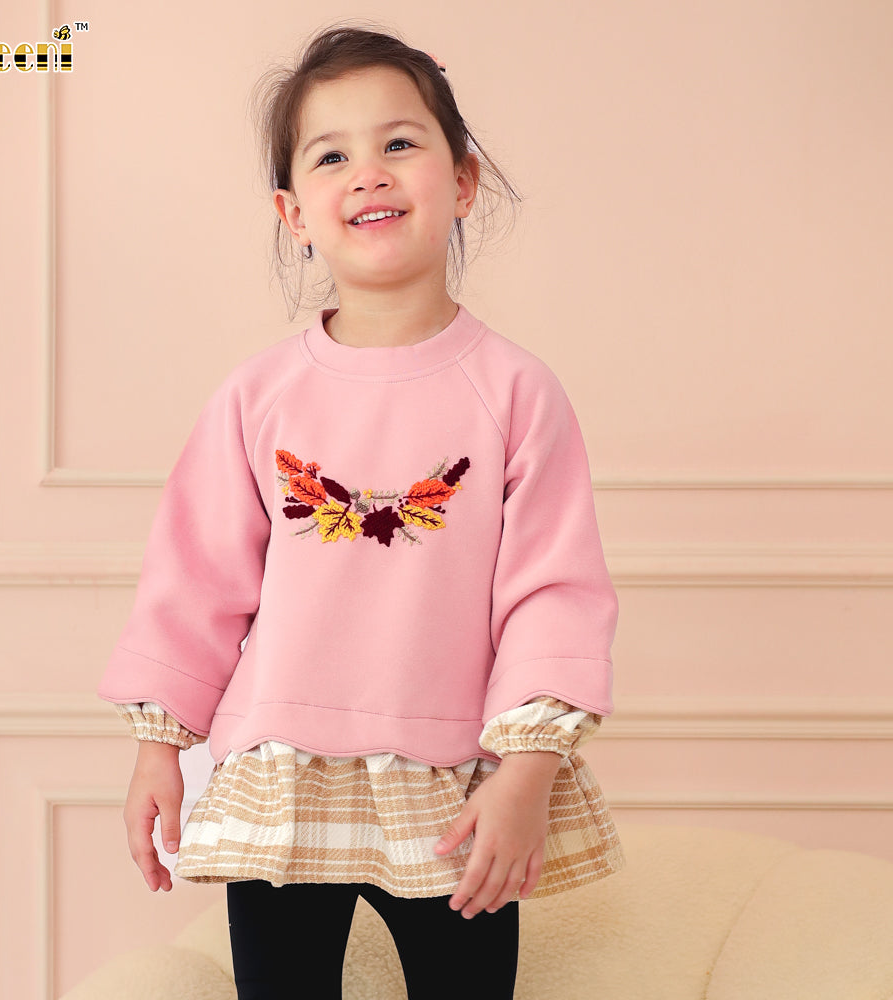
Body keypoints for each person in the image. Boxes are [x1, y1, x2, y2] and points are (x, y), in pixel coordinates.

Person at [97, 21, 624, 1000]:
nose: (368, 172)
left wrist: (526, 773)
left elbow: (552, 594)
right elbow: (194, 581)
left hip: (453, 781)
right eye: (331, 155)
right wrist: (157, 746)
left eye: (399, 142)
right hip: (281, 773)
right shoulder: (257, 397)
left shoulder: (517, 392)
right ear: (294, 213)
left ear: (461, 181)